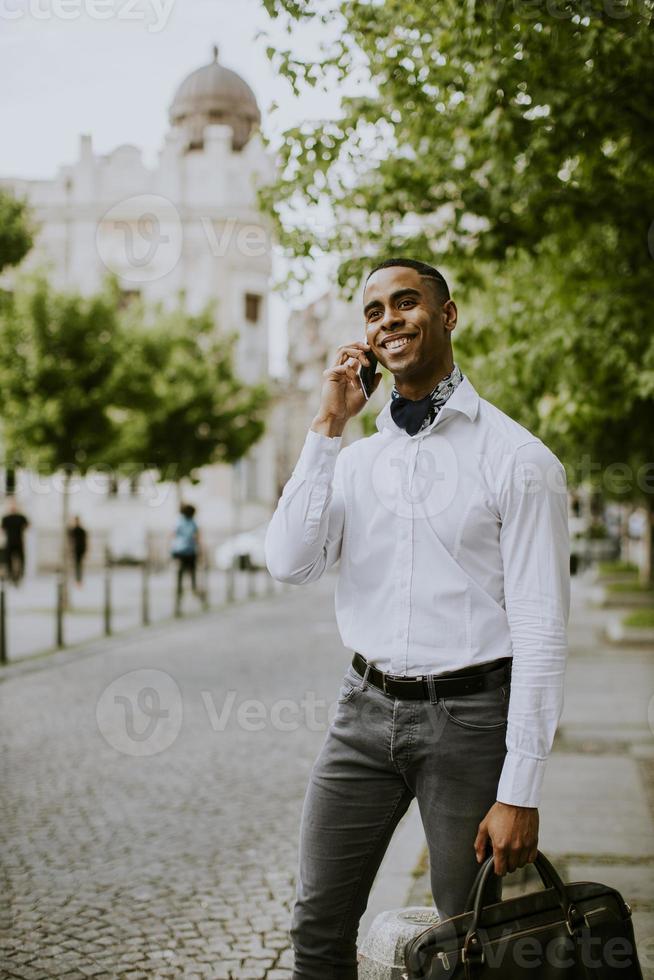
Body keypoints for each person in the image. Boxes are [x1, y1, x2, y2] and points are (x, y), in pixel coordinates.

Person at [264, 258, 571, 979]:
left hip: (469, 721)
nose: (389, 319)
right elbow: (289, 561)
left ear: (448, 315)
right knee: (316, 926)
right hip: (361, 715)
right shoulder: (355, 460)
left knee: (474, 944)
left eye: (407, 303)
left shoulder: (519, 459)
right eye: (374, 311)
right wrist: (327, 426)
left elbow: (543, 633)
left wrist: (519, 789)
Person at [171, 503, 200, 605]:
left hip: (179, 550)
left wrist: (172, 548)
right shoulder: (193, 522)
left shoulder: (179, 521)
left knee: (181, 570)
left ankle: (179, 589)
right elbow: (196, 536)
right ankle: (193, 588)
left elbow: (173, 534)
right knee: (192, 570)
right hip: (189, 550)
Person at [1, 497, 29, 585]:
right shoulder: (6, 518)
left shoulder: (21, 517)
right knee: (8, 558)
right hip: (10, 541)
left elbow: (27, 525)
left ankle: (21, 574)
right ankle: (10, 574)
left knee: (21, 558)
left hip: (19, 541)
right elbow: (2, 528)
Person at [68, 516, 88, 585]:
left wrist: (85, 550)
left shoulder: (81, 530)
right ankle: (77, 579)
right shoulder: (74, 530)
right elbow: (69, 535)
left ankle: (79, 579)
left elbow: (85, 541)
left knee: (79, 565)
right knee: (76, 565)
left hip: (80, 550)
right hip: (75, 550)